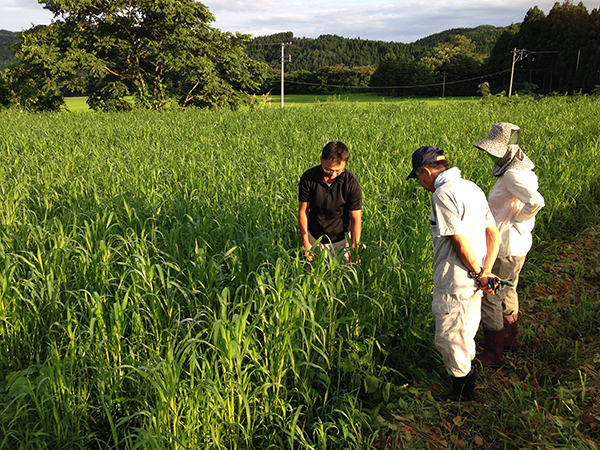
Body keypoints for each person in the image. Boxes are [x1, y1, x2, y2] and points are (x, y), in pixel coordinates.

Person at [406, 145, 499, 401]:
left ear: (426, 171)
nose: (421, 184)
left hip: (454, 280)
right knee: (465, 331)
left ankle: (461, 395)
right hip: (475, 281)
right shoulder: (472, 187)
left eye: (419, 178)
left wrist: (479, 272)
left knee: (448, 336)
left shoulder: (443, 194)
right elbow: (493, 233)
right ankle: (467, 384)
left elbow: (458, 241)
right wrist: (486, 271)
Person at [473, 123, 545, 366]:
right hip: (517, 245)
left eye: (494, 151)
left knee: (491, 296)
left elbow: (535, 201)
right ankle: (508, 342)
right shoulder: (521, 171)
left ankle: (494, 354)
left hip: (505, 245)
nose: (491, 154)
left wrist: (517, 219)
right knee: (508, 290)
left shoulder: (513, 174)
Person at [298, 141, 363, 263]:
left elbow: (356, 220)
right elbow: (303, 211)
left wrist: (354, 249)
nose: (333, 174)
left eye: (338, 171)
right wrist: (305, 241)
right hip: (314, 239)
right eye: (328, 170)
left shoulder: (351, 183)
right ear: (321, 160)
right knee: (314, 277)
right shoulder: (308, 178)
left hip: (341, 241)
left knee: (342, 279)